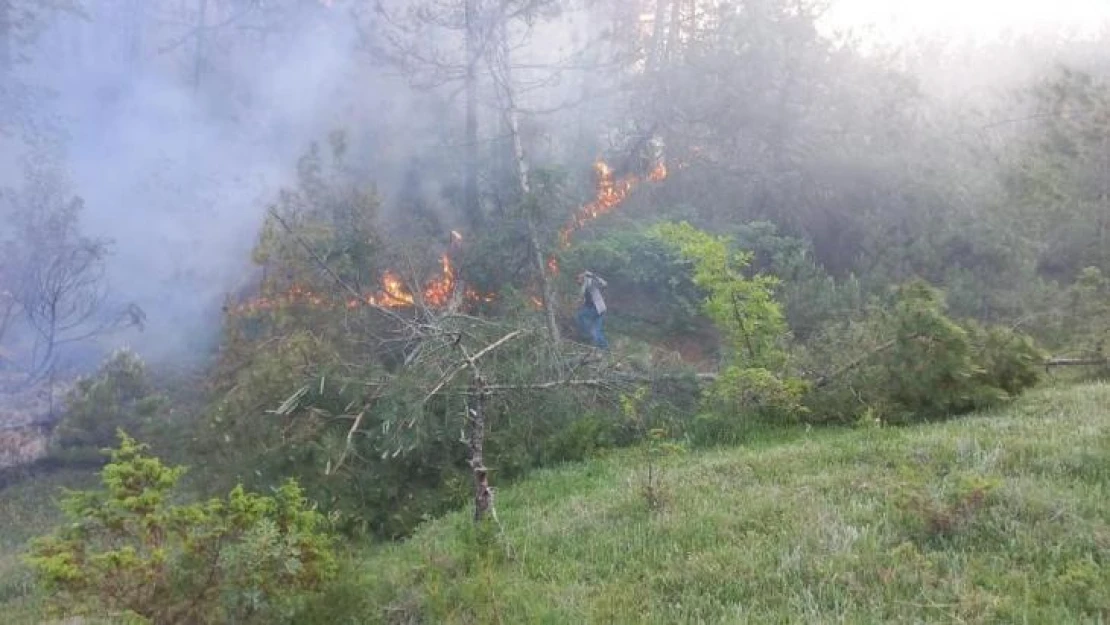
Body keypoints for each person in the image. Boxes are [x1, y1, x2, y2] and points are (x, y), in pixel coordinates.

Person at [576, 270, 609, 349]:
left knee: (580, 316)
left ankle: (586, 334)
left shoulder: (590, 283)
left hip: (597, 309)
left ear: (582, 278)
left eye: (578, 279)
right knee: (596, 331)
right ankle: (605, 347)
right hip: (600, 310)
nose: (577, 282)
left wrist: (592, 275)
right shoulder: (584, 287)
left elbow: (604, 283)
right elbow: (585, 301)